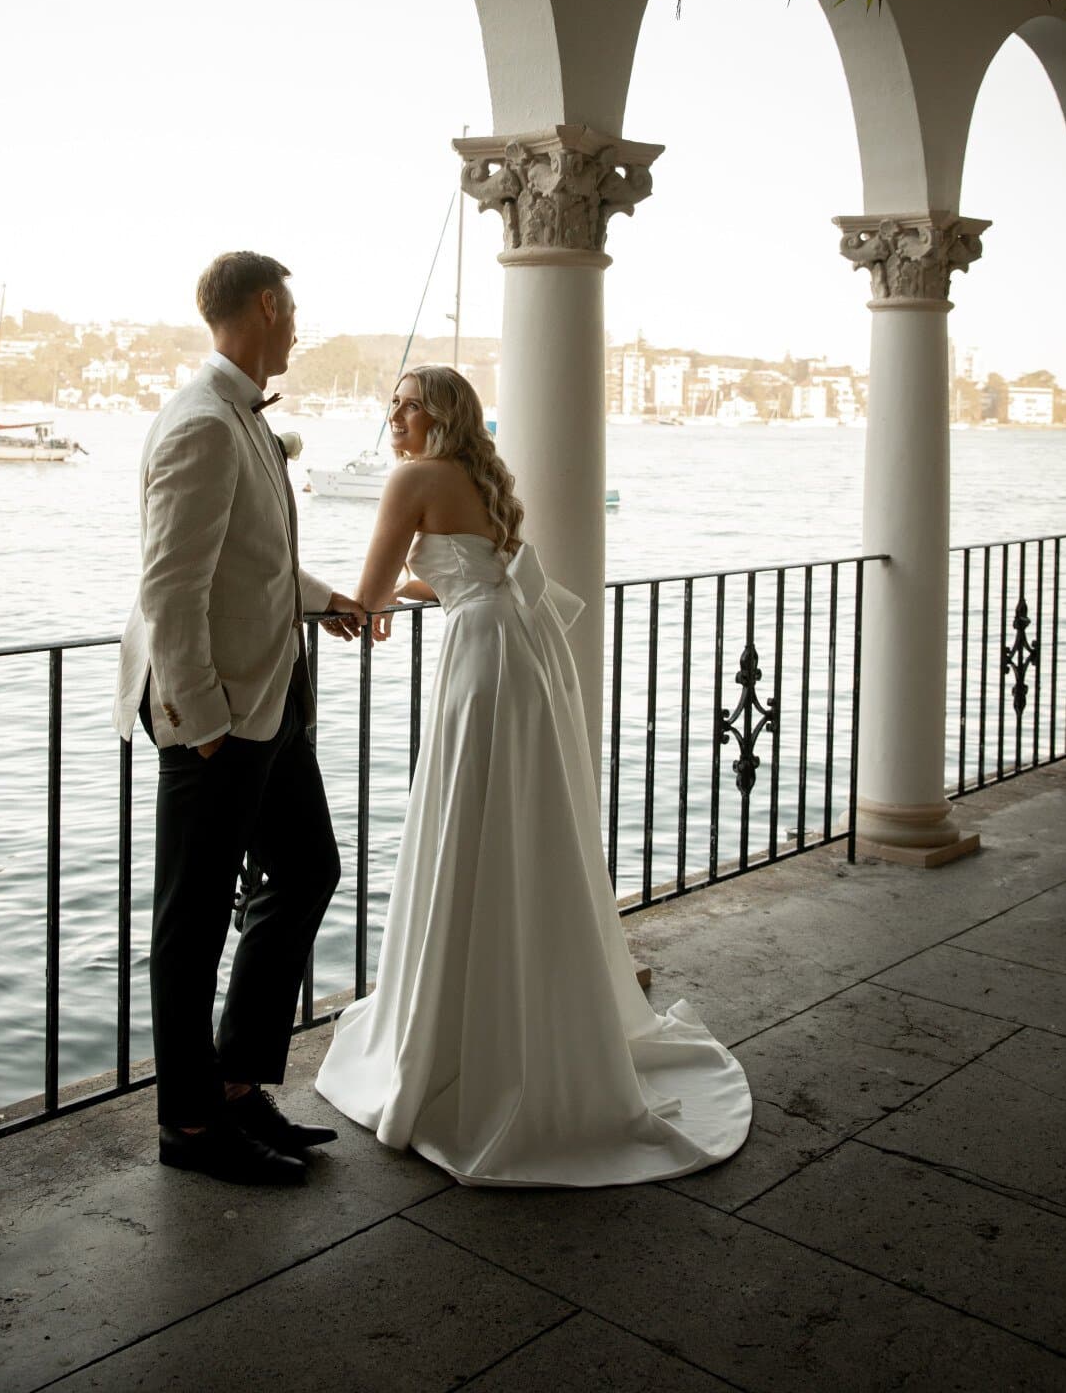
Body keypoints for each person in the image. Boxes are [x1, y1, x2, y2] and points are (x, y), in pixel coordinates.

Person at [315, 365, 752, 1187]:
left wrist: (328, 602)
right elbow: (471, 566)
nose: (394, 415)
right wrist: (425, 586)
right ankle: (521, 1007)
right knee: (517, 823)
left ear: (442, 415)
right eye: (393, 403)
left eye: (409, 404)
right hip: (517, 655)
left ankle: (459, 1029)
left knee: (473, 823)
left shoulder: (411, 477)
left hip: (481, 663)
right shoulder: (474, 477)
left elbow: (364, 598)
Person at [112, 251, 365, 1186]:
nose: (297, 325)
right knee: (191, 922)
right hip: (216, 712)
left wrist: (323, 597)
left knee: (305, 869)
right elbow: (171, 586)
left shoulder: (241, 418)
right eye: (291, 308)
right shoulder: (203, 425)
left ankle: (234, 1083)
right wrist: (202, 719)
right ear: (264, 305)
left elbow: (246, 562)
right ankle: (189, 1127)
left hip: (268, 700)